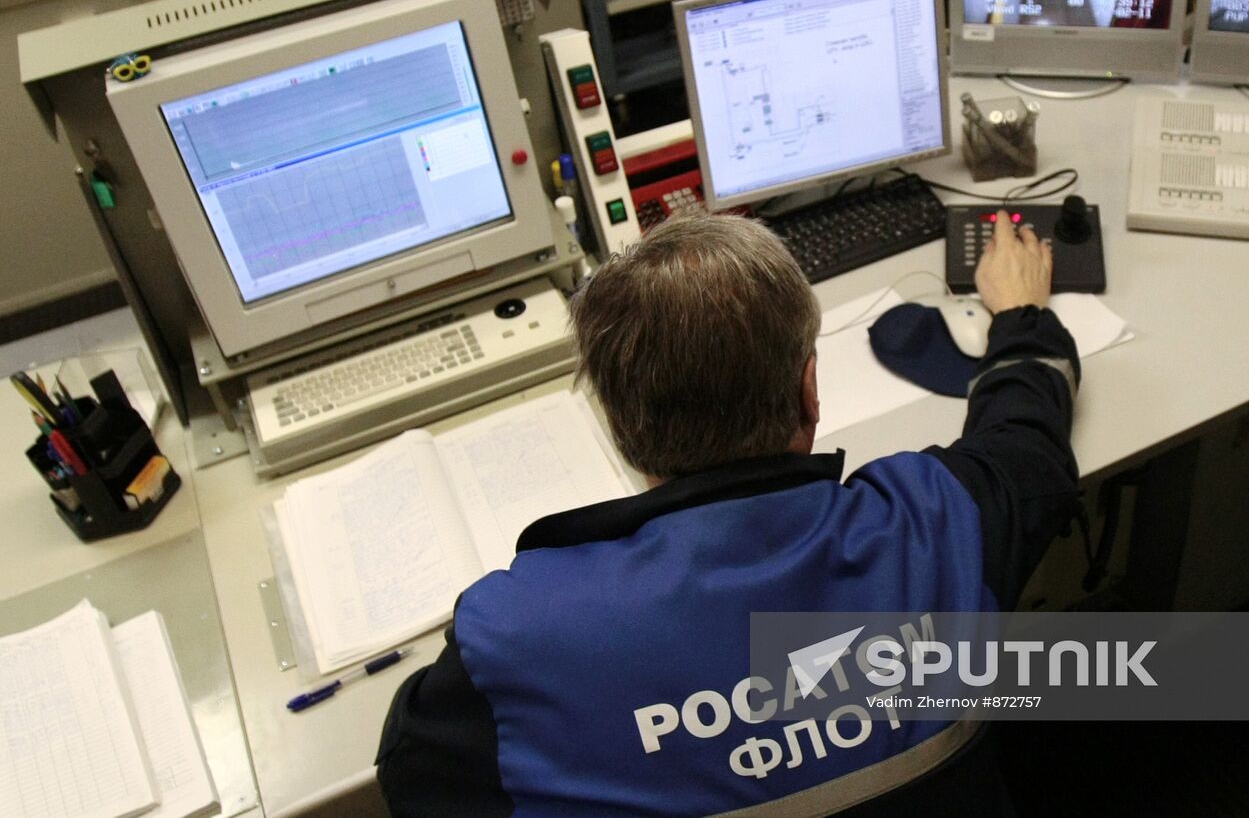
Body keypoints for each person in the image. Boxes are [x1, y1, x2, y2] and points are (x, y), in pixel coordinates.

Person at [377, 209, 1081, 816]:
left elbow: (411, 769)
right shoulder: (936, 525)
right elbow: (1029, 443)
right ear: (810, 390)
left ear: (621, 426)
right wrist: (1021, 316)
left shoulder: (522, 636)